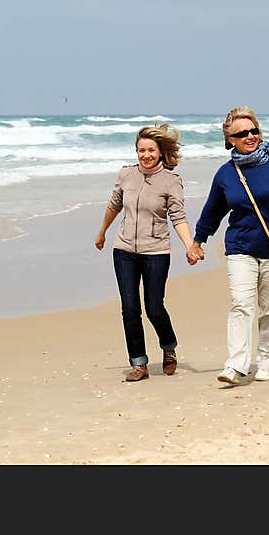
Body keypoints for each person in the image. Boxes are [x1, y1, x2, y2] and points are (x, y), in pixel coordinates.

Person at [189, 106, 269, 386]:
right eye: (242, 133)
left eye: (253, 130)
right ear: (230, 140)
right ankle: (236, 365)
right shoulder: (226, 174)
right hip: (239, 247)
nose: (250, 136)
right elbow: (213, 210)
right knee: (241, 306)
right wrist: (198, 241)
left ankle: (267, 360)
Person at [95, 125, 200, 382]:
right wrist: (102, 232)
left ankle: (168, 346)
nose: (146, 155)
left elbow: (178, 216)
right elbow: (114, 206)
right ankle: (139, 364)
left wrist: (190, 245)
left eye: (151, 150)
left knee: (154, 307)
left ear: (161, 152)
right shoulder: (126, 175)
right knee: (129, 308)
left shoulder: (171, 181)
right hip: (124, 250)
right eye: (141, 150)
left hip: (156, 251)